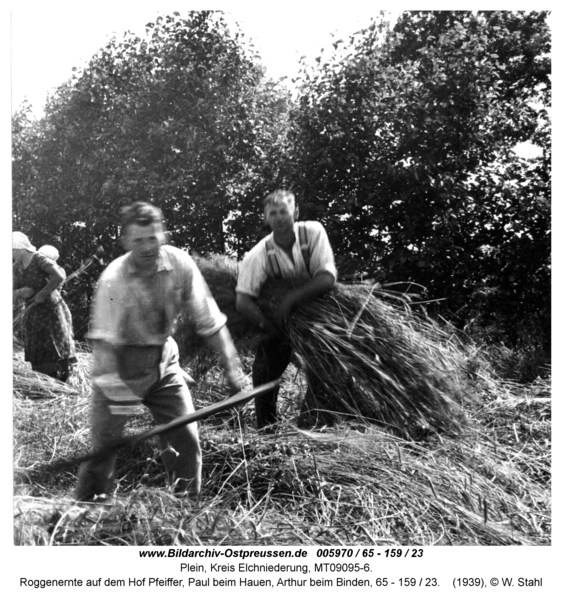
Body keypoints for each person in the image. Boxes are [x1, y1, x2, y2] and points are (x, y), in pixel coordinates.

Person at [75, 201, 243, 502]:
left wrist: (233, 368)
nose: (147, 247)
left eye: (152, 238)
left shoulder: (179, 264)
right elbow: (104, 352)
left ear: (162, 235)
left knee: (186, 440)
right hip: (120, 367)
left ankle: (184, 510)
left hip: (165, 362)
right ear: (126, 241)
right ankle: (85, 513)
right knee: (103, 451)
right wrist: (122, 399)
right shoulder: (114, 280)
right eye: (138, 240)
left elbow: (211, 322)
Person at [235, 190, 337, 430]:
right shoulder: (258, 254)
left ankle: (313, 426)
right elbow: (243, 301)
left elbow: (326, 278)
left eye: (284, 211)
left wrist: (291, 299)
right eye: (273, 213)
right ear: (266, 218)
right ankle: (267, 430)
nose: (280, 217)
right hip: (279, 321)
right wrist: (272, 329)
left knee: (325, 370)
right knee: (263, 372)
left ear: (296, 212)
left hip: (318, 315)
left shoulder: (312, 232)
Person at [12, 232, 77, 382]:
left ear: (19, 248)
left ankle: (60, 379)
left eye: (12, 250)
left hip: (51, 310)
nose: (11, 253)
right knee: (37, 344)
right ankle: (44, 381)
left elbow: (59, 276)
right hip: (32, 312)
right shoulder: (16, 267)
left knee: (53, 342)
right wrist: (19, 292)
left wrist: (43, 293)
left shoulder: (39, 259)